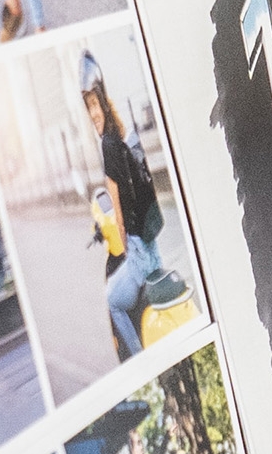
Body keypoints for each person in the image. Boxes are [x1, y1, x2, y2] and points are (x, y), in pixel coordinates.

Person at [82, 51, 161, 358]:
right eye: (88, 108)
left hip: (139, 256)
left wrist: (126, 247)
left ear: (102, 102)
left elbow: (115, 207)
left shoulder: (107, 145)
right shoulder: (121, 136)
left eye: (94, 106)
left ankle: (141, 358)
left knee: (112, 301)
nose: (92, 114)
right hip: (153, 250)